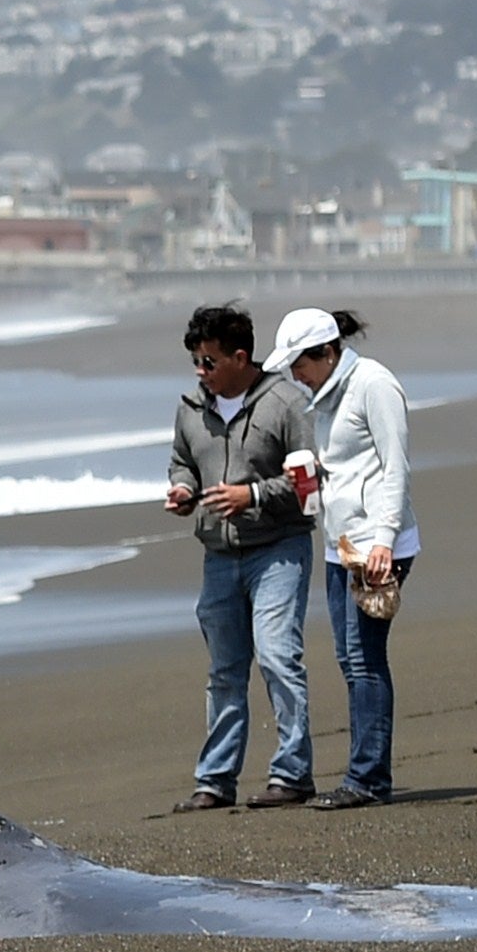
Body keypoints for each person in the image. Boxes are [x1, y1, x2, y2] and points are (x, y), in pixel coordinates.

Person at [161, 303, 317, 810]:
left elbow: (310, 481)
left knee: (277, 657)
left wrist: (250, 496)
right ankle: (214, 781)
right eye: (196, 362)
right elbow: (183, 461)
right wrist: (183, 492)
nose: (200, 372)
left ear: (240, 357)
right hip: (218, 555)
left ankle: (292, 774)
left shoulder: (288, 403)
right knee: (225, 671)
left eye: (208, 362)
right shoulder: (190, 405)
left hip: (279, 549)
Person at [272, 307, 414, 809]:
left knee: (364, 660)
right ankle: (364, 773)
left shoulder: (374, 384)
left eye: (299, 364)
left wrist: (384, 542)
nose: (295, 375)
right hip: (342, 545)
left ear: (328, 352)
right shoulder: (325, 397)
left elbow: (395, 468)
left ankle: (368, 780)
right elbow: (347, 466)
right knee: (348, 658)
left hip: (378, 545)